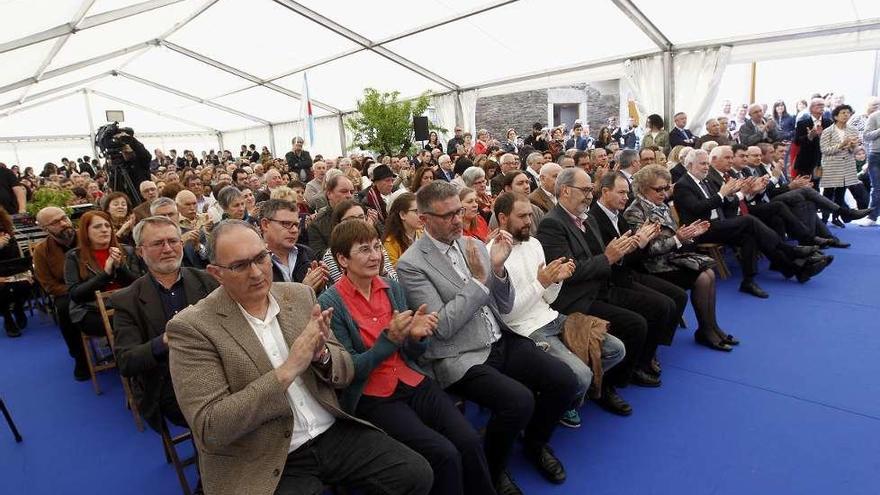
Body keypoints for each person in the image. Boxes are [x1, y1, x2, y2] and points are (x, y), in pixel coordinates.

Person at [166, 220, 432, 495]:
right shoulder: (193, 328)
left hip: (329, 431)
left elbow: (345, 369)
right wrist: (288, 370)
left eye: (261, 258)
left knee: (416, 474)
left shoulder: (298, 295)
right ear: (216, 273)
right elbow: (212, 427)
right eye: (240, 265)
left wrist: (322, 356)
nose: (256, 273)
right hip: (264, 453)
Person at [397, 181, 578, 494]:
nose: (458, 220)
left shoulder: (474, 244)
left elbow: (503, 305)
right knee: (518, 402)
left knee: (565, 380)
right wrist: (481, 281)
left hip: (498, 339)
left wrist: (497, 270)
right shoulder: (411, 264)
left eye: (459, 212)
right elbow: (442, 326)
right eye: (448, 215)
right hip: (459, 357)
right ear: (424, 219)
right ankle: (493, 468)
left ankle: (534, 444)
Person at [318, 220, 494, 495]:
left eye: (377, 247)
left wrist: (417, 337)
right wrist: (389, 340)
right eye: (364, 250)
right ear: (342, 258)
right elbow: (350, 369)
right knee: (443, 453)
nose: (375, 255)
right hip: (373, 396)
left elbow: (413, 354)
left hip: (411, 378)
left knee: (468, 440)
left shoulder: (392, 287)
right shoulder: (331, 303)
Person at [491, 192, 628, 422]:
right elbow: (508, 315)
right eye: (522, 216)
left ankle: (564, 393)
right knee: (581, 377)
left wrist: (556, 280)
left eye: (530, 215)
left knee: (617, 350)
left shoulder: (533, 243)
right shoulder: (492, 256)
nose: (529, 221)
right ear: (503, 218)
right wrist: (542, 282)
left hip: (551, 316)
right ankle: (558, 400)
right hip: (524, 329)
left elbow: (549, 299)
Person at [535, 168, 660, 389]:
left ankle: (632, 368)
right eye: (585, 190)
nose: (590, 195)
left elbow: (604, 256)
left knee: (656, 307)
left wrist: (622, 251)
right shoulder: (552, 224)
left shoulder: (587, 218)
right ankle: (608, 386)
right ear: (565, 191)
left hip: (601, 287)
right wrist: (609, 257)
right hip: (577, 299)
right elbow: (568, 271)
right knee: (636, 324)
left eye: (590, 190)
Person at [673, 149, 829, 298]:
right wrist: (723, 194)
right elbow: (697, 208)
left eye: (707, 163)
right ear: (690, 165)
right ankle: (791, 251)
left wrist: (737, 194)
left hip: (718, 223)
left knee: (750, 236)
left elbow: (724, 204)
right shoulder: (683, 184)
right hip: (700, 230)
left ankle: (752, 280)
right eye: (702, 164)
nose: (706, 167)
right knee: (749, 221)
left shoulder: (705, 181)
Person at [112, 216, 218, 433]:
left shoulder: (207, 280)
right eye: (158, 243)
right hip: (169, 383)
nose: (168, 248)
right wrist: (165, 341)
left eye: (173, 241)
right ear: (141, 251)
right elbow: (126, 361)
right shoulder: (127, 299)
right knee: (216, 416)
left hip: (218, 367)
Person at [624, 165, 738, 351]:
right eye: (658, 189)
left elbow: (674, 237)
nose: (664, 192)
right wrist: (678, 238)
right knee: (702, 277)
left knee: (708, 272)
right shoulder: (635, 212)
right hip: (650, 267)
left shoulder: (661, 206)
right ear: (644, 188)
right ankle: (706, 331)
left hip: (671, 259)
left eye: (666, 187)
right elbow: (646, 250)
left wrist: (688, 234)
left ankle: (711, 327)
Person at [64, 211, 141, 340]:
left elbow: (139, 285)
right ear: (85, 231)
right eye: (97, 227)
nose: (104, 230)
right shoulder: (74, 256)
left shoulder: (127, 250)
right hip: (92, 310)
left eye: (107, 225)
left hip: (127, 304)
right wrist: (105, 274)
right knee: (123, 323)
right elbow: (76, 295)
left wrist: (120, 268)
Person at [33, 207, 88, 378]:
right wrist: (76, 291)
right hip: (68, 293)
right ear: (44, 228)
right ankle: (80, 358)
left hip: (97, 284)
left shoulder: (87, 237)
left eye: (64, 218)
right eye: (55, 223)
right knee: (64, 309)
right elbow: (49, 285)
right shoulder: (41, 251)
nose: (63, 223)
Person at [258, 199, 327, 293]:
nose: (294, 230)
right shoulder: (254, 262)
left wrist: (319, 288)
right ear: (265, 224)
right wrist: (303, 291)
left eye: (296, 225)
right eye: (286, 224)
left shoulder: (307, 253)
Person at [320, 201, 396, 285]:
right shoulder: (331, 255)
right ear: (338, 224)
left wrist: (381, 270)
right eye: (350, 219)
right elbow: (342, 289)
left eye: (361, 217)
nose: (358, 222)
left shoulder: (376, 244)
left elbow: (395, 281)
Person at [820, 104, 870, 227]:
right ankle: (825, 219)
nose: (846, 115)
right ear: (836, 116)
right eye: (843, 112)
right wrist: (842, 145)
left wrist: (852, 146)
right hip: (831, 165)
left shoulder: (853, 130)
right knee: (828, 192)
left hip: (847, 165)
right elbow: (825, 150)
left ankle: (836, 218)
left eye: (848, 112)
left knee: (841, 193)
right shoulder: (828, 131)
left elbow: (854, 150)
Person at [0, 207, 31, 337]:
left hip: (13, 269)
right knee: (1, 289)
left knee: (27, 282)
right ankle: (8, 319)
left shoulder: (7, 232)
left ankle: (18, 307)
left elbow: (18, 257)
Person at [308, 175, 355, 254]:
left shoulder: (363, 214)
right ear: (329, 194)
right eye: (344, 191)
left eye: (352, 192)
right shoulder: (317, 225)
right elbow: (319, 255)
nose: (349, 196)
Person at [793, 97, 832, 179]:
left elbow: (833, 140)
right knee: (805, 187)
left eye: (823, 105)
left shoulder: (829, 122)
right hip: (806, 161)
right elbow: (797, 141)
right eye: (819, 105)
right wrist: (809, 136)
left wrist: (822, 136)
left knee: (821, 187)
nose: (822, 107)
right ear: (811, 108)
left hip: (823, 160)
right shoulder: (802, 123)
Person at [382, 192, 422, 267]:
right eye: (416, 211)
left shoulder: (424, 234)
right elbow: (396, 274)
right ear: (402, 215)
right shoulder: (390, 243)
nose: (421, 215)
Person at [863, 108, 880, 225]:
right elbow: (866, 136)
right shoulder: (874, 116)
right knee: (876, 187)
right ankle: (872, 217)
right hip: (876, 154)